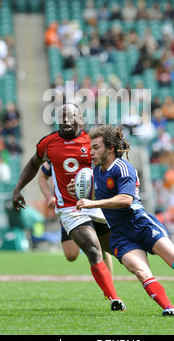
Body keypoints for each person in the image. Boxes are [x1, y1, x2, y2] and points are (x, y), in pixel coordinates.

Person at [74, 124, 174, 317]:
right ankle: (169, 308)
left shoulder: (123, 168)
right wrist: (79, 191)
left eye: (95, 147)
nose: (91, 152)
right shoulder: (96, 172)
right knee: (140, 272)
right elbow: (99, 192)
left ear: (110, 148)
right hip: (119, 234)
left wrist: (92, 204)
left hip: (140, 224)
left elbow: (125, 200)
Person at [12, 103, 125, 311]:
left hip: (96, 203)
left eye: (69, 116)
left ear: (79, 118)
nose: (64, 120)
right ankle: (113, 297)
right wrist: (19, 188)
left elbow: (110, 163)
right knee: (81, 252)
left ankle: (140, 283)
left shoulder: (91, 141)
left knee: (122, 250)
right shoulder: (48, 143)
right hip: (70, 209)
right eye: (61, 116)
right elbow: (35, 167)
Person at [38, 160, 113, 272]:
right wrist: (49, 196)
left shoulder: (92, 151)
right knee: (71, 255)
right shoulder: (55, 152)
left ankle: (108, 285)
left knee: (99, 247)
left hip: (92, 206)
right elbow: (42, 176)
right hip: (68, 209)